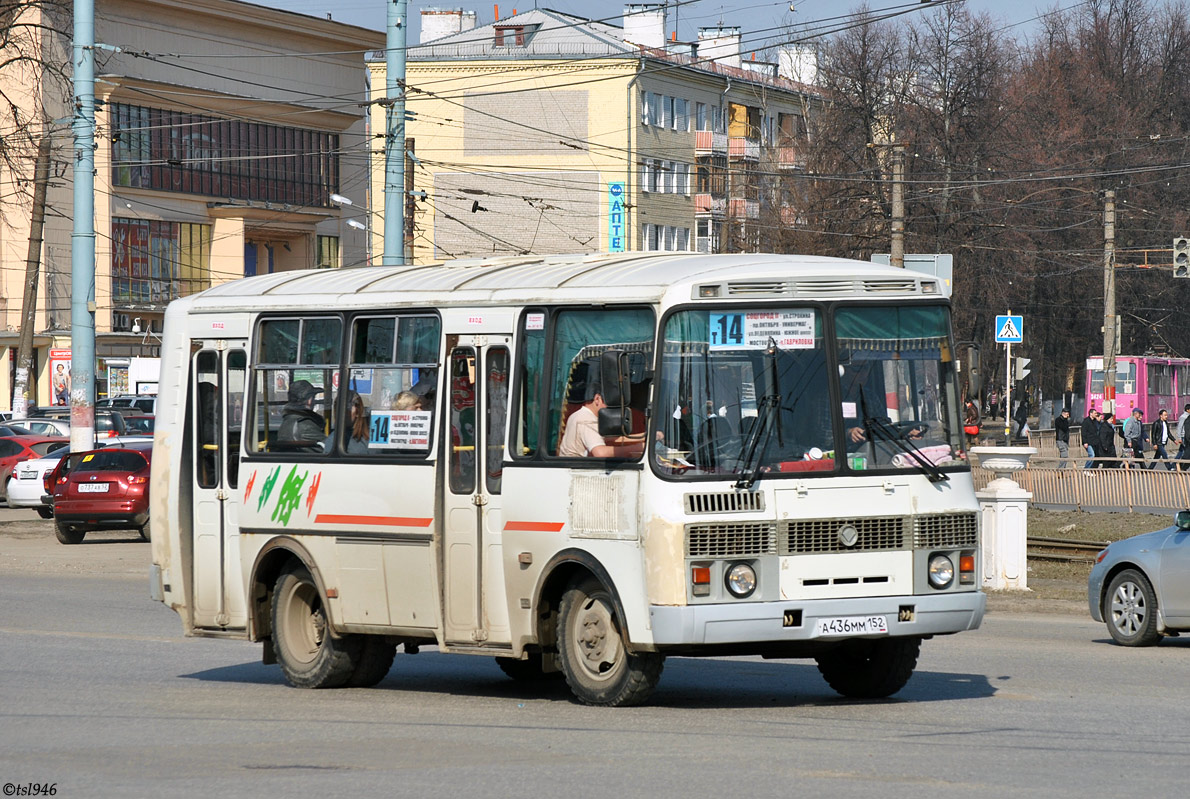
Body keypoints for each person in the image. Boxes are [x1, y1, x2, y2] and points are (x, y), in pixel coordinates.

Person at [558, 382, 645, 458]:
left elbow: (610, 439)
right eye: (611, 404)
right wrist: (636, 448)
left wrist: (643, 437)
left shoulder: (580, 415)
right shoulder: (586, 420)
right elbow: (600, 453)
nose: (613, 409)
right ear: (597, 399)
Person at [277, 379, 325, 451]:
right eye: (313, 398)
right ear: (309, 400)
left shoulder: (288, 420)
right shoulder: (306, 426)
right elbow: (329, 450)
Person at [1176, 403, 1190, 469]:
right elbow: (1179, 427)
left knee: (1182, 452)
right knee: (1185, 452)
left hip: (1186, 436)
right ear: (1187, 410)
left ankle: (1176, 464)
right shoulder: (1183, 417)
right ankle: (1178, 464)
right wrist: (1179, 437)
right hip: (1184, 436)